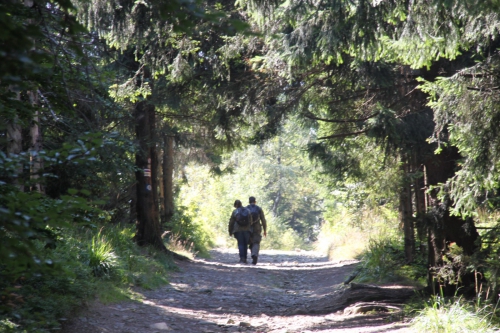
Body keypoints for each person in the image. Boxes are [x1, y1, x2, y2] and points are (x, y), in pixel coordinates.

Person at [247, 196, 267, 265]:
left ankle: (253, 254)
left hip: (248, 228)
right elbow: (263, 220)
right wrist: (265, 230)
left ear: (249, 202)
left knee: (250, 242)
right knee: (256, 242)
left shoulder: (246, 209)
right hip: (257, 228)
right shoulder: (259, 209)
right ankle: (254, 254)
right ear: (255, 202)